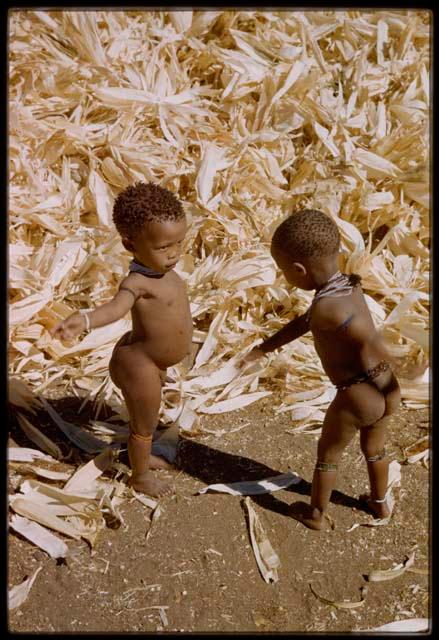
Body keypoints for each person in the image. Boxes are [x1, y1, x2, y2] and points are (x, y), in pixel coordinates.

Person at [244, 209, 401, 530]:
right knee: (374, 448)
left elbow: (360, 337)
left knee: (328, 454)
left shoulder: (326, 307)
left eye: (284, 272)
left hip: (357, 393)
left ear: (299, 270)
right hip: (387, 386)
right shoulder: (348, 285)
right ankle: (380, 504)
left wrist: (393, 356)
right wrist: (264, 347)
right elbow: (305, 323)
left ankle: (315, 514)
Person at [51, 182, 193, 497]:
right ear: (130, 246)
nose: (173, 254)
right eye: (162, 247)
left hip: (154, 362)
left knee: (150, 418)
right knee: (143, 427)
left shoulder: (168, 274)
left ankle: (140, 457)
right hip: (138, 364)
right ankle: (139, 476)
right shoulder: (137, 282)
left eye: (178, 243)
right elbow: (115, 309)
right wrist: (84, 320)